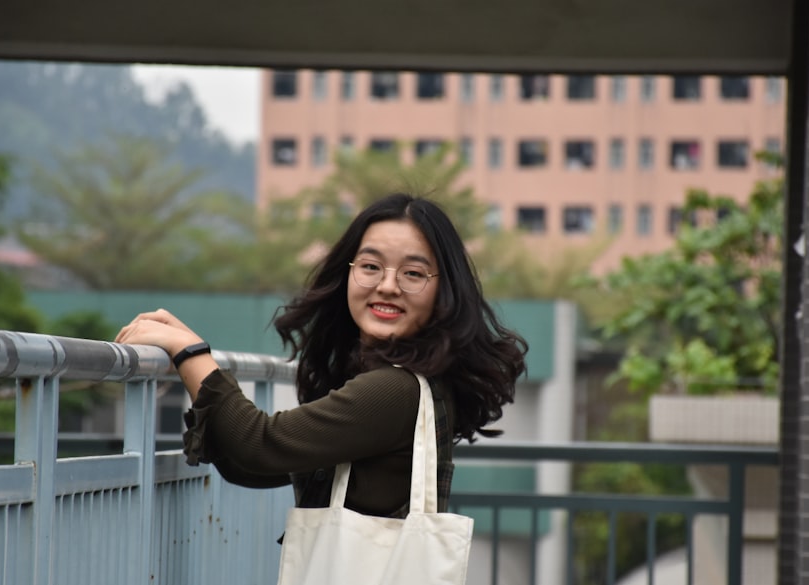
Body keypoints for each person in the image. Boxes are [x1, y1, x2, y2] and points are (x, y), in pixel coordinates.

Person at [115, 193, 527, 519]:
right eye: (370, 266)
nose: (387, 285)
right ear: (347, 273)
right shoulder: (400, 383)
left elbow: (259, 445)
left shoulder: (394, 391)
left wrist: (189, 352)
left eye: (413, 273)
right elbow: (253, 466)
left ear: (443, 292)